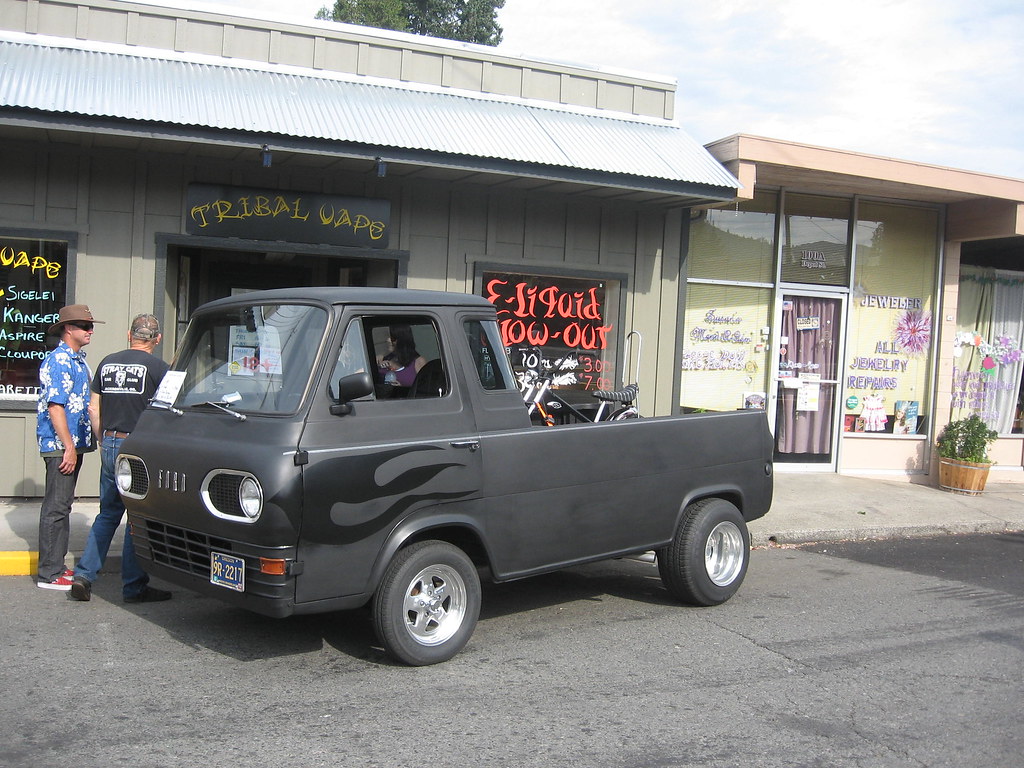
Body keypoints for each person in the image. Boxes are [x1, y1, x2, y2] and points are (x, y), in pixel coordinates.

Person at [69, 314, 172, 603]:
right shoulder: (161, 368)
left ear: (130, 334)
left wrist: (103, 437)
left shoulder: (107, 362)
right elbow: (170, 413)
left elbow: (93, 408)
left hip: (111, 441)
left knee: (108, 512)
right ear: (157, 339)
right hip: (139, 448)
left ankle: (84, 575)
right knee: (136, 516)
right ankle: (134, 586)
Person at [36, 304, 103, 590]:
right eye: (83, 326)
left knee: (62, 504)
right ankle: (50, 573)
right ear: (67, 329)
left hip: (71, 444)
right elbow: (55, 407)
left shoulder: (78, 360)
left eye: (91, 326)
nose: (90, 330)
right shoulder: (60, 360)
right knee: (57, 507)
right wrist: (67, 447)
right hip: (60, 445)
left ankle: (56, 566)